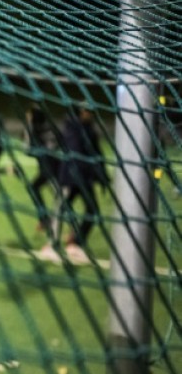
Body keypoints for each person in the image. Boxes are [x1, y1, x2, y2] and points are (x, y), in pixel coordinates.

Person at [54, 101, 109, 263]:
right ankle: (57, 244)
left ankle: (73, 243)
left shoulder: (89, 130)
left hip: (83, 177)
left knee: (89, 210)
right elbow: (76, 154)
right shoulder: (73, 129)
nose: (90, 114)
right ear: (80, 112)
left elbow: (97, 154)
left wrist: (102, 176)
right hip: (73, 177)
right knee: (63, 209)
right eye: (87, 111)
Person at [25, 104, 62, 238]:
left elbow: (28, 150)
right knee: (36, 188)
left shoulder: (35, 129)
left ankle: (50, 223)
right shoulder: (50, 125)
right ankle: (45, 219)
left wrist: (28, 126)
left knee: (60, 195)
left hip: (49, 166)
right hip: (59, 164)